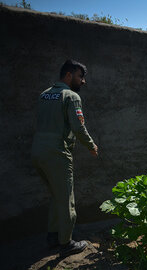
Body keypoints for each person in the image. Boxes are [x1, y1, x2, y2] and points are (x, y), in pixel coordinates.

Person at [31, 59, 98, 256]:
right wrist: (91, 145)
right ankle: (66, 243)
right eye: (80, 76)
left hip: (38, 151)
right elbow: (78, 127)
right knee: (67, 199)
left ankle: (53, 236)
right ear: (68, 75)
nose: (83, 81)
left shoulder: (45, 94)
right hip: (57, 153)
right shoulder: (71, 96)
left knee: (56, 196)